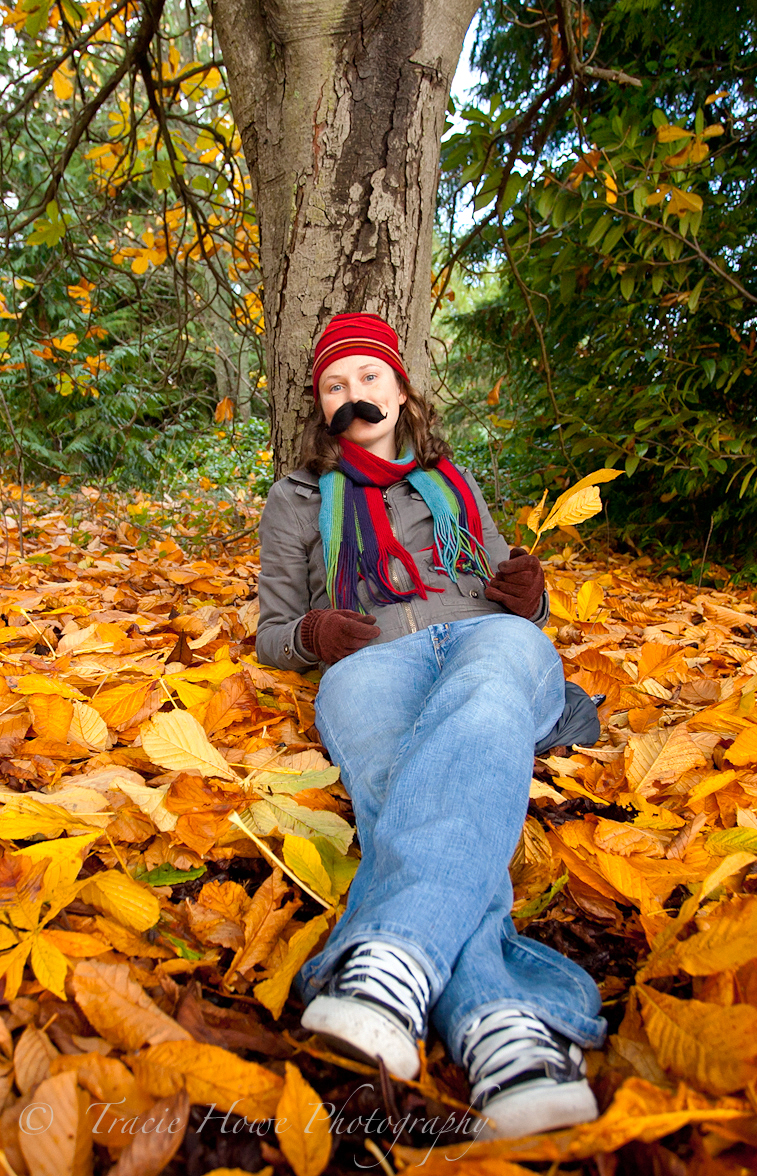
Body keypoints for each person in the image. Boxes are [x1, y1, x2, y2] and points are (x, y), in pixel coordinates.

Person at [255, 312, 606, 1140]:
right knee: (393, 784)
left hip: (485, 638)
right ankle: (504, 1030)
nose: (352, 398)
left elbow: (499, 572)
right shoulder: (296, 498)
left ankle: (391, 961)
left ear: (401, 391)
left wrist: (528, 595)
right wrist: (313, 634)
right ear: (320, 407)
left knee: (488, 698)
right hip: (370, 661)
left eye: (367, 379)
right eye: (334, 387)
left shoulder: (452, 481)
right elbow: (273, 632)